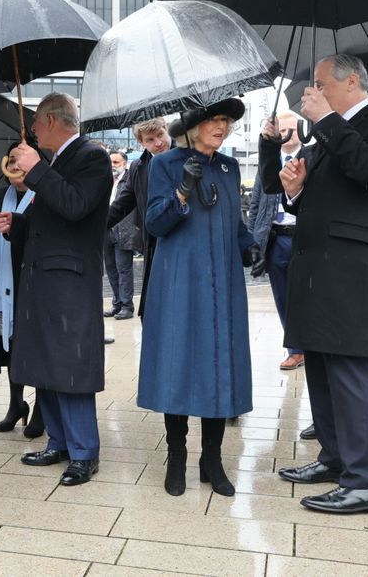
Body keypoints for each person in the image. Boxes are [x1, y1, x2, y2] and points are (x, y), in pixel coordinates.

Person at [262, 54, 368, 514]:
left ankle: (366, 482)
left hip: (353, 269)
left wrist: (326, 119)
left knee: (349, 373)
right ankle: (333, 458)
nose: (314, 92)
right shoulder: (325, 136)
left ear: (352, 81)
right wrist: (280, 161)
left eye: (321, 83)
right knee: (323, 369)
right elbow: (277, 189)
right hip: (316, 268)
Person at [140, 99, 262, 498]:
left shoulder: (228, 168)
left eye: (225, 121)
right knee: (178, 363)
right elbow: (155, 224)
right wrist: (182, 190)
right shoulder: (164, 164)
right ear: (194, 126)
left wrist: (252, 246)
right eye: (214, 119)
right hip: (179, 281)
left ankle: (212, 459)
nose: (222, 127)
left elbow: (235, 224)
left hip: (223, 283)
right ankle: (177, 455)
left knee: (218, 365)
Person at [0, 92, 111, 486]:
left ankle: (83, 452)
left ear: (54, 121)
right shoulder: (57, 163)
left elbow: (77, 206)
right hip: (44, 278)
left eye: (36, 124)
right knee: (48, 363)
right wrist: (18, 225)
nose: (32, 131)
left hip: (70, 281)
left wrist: (38, 171)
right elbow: (54, 222)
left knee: (71, 366)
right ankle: (58, 441)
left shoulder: (91, 157)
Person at [0, 142, 43, 437]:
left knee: (34, 345)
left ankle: (41, 408)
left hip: (28, 279)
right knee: (10, 344)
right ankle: (16, 404)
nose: (15, 164)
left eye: (21, 159)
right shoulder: (1, 195)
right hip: (1, 280)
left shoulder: (42, 195)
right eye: (11, 159)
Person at [248, 110, 306, 371]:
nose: (284, 134)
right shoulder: (268, 163)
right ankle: (295, 348)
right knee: (282, 297)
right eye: (281, 130)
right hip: (274, 238)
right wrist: (253, 239)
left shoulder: (310, 160)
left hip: (302, 239)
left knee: (303, 296)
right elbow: (256, 204)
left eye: (290, 129)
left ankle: (304, 346)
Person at [106, 118, 172, 320]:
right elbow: (123, 204)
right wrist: (92, 224)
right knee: (155, 310)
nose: (158, 142)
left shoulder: (186, 157)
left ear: (167, 129)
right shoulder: (138, 167)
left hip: (184, 242)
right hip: (153, 244)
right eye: (150, 139)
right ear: (141, 142)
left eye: (160, 135)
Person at [104, 151, 136, 319]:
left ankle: (127, 306)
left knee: (123, 269)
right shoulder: (106, 181)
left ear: (124, 163)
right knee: (111, 268)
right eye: (110, 162)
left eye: (116, 162)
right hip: (106, 229)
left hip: (124, 229)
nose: (113, 165)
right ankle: (116, 303)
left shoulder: (129, 180)